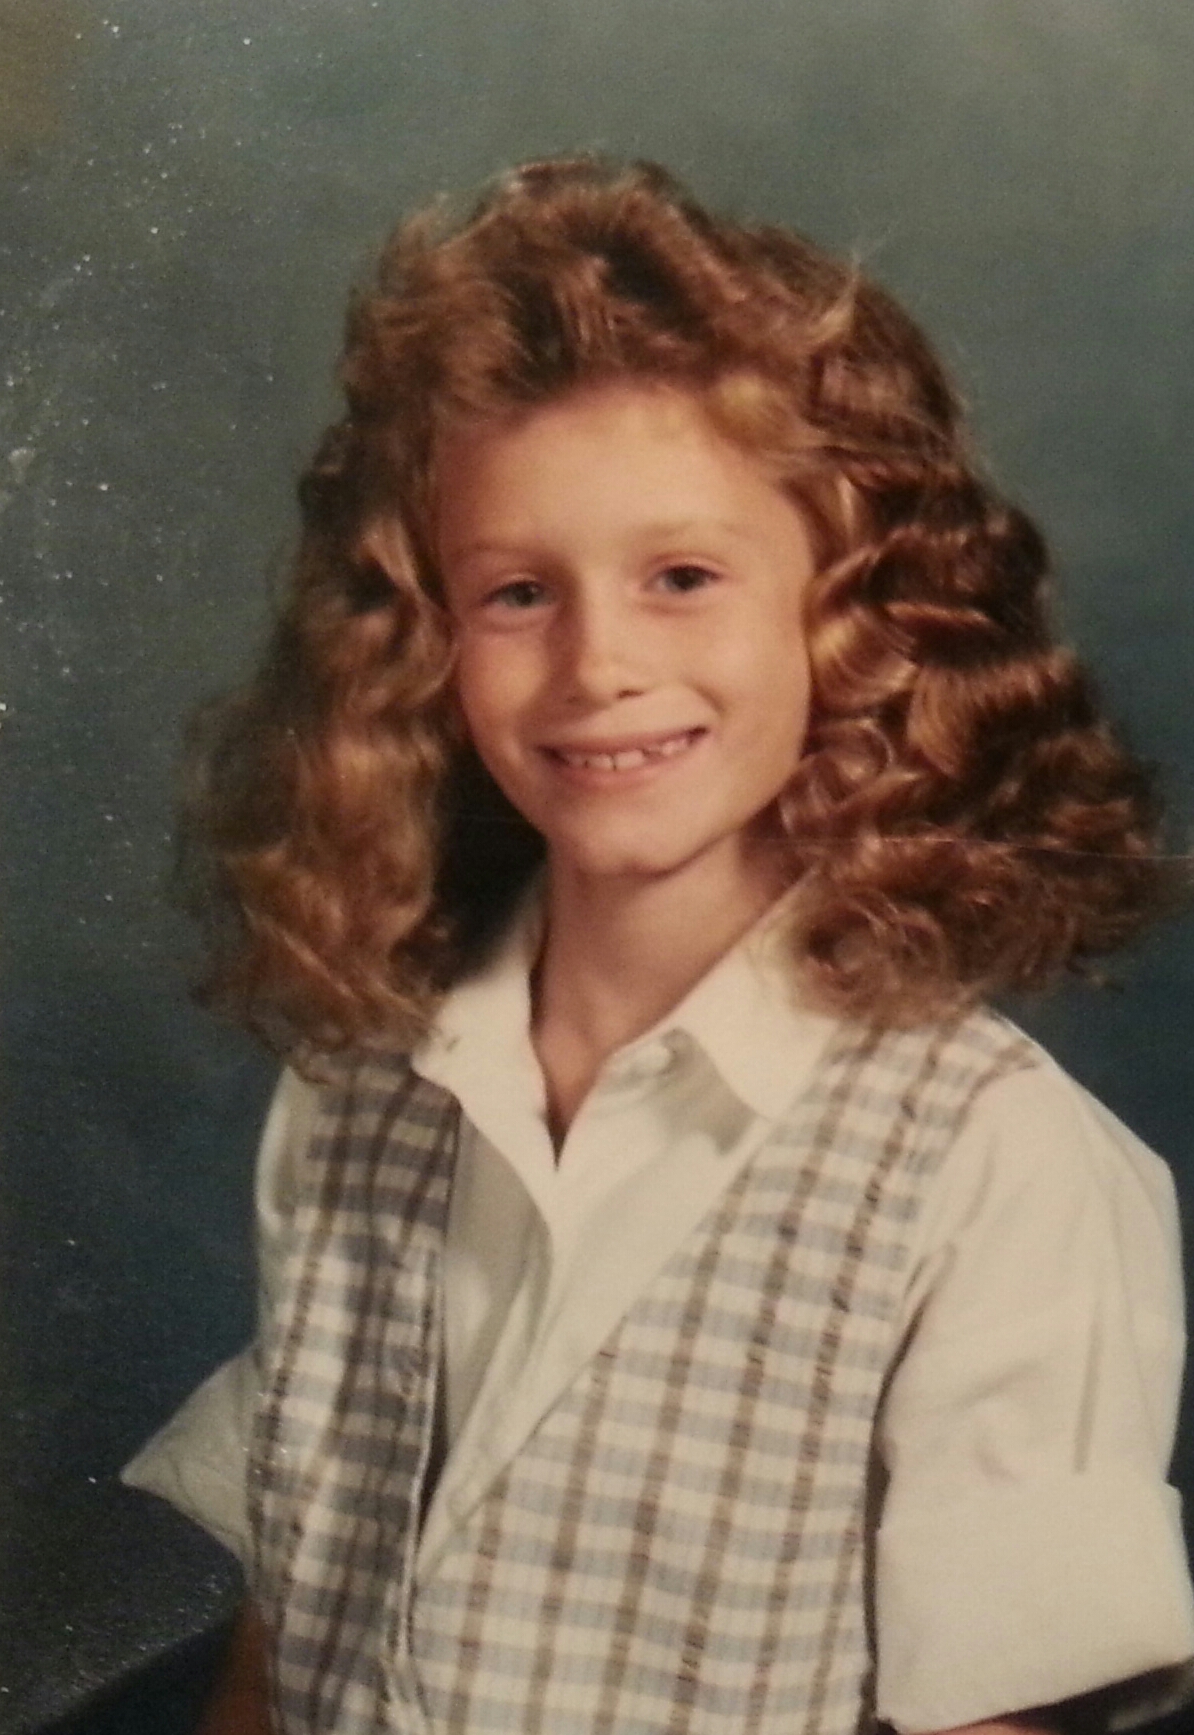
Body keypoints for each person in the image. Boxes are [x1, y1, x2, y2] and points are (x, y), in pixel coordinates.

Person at [124, 157, 1194, 1735]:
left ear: (854, 614)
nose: (597, 664)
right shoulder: (353, 1095)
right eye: (514, 594)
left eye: (681, 578)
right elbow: (290, 1635)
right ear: (419, 643)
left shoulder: (991, 1166)